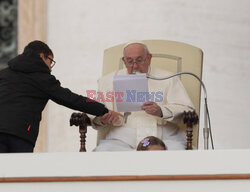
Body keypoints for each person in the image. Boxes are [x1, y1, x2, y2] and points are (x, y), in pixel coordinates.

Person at [0, 40, 117, 153]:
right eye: (50, 62)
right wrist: (102, 110)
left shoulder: (4, 73)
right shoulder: (42, 78)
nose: (50, 68)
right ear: (42, 56)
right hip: (20, 135)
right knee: (18, 171)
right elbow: (72, 99)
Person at [92, 42, 194, 151]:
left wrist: (161, 111)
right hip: (122, 141)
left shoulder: (169, 79)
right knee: (103, 153)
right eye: (130, 61)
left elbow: (188, 111)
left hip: (165, 138)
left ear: (149, 58)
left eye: (139, 60)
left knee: (178, 154)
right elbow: (93, 116)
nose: (135, 66)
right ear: (124, 61)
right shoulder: (107, 81)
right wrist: (103, 119)